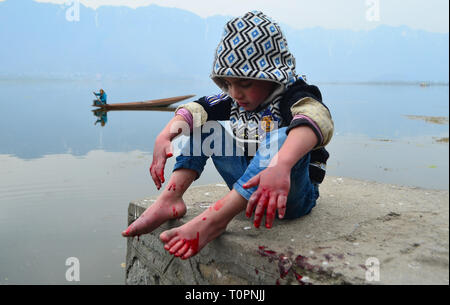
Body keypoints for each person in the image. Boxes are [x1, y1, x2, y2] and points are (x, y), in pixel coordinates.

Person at [122, 11, 334, 260]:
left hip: (291, 195)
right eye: (228, 84)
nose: (235, 94)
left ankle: (216, 219)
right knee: (206, 127)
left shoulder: (293, 95)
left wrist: (283, 164)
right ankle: (171, 198)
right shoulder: (235, 98)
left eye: (245, 84)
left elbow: (317, 119)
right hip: (249, 187)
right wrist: (165, 136)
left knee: (282, 137)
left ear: (271, 77)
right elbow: (198, 108)